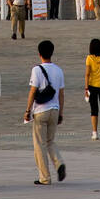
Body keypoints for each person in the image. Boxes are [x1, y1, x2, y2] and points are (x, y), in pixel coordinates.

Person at [24, 39, 66, 185]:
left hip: (41, 110)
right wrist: (61, 113)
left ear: (39, 54)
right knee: (50, 141)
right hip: (55, 110)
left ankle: (45, 177)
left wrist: (28, 110)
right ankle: (59, 163)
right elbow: (61, 94)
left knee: (39, 144)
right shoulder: (59, 70)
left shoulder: (36, 70)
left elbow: (32, 91)